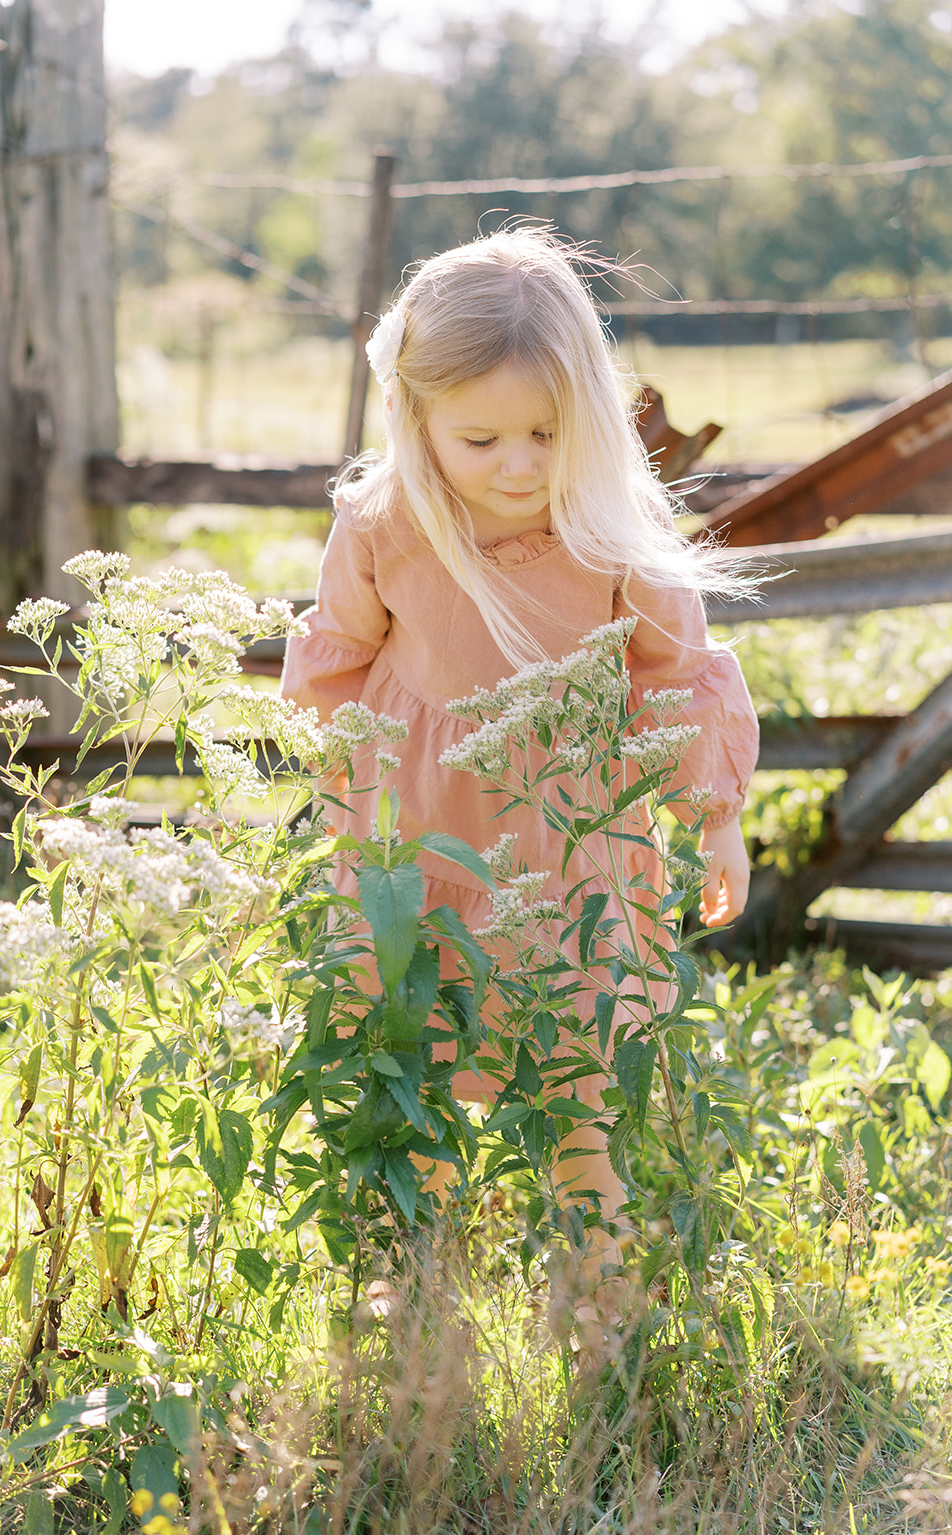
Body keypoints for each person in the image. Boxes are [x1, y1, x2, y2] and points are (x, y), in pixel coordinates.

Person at [281, 227, 759, 1306]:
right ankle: (415, 1289)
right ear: (414, 416)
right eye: (480, 437)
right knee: (415, 1054)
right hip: (417, 838)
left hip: (569, 844)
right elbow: (334, 663)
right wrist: (341, 806)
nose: (517, 464)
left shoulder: (607, 528)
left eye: (546, 432)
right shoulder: (385, 521)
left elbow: (676, 675)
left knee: (575, 1065)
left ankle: (596, 1288)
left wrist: (715, 817)